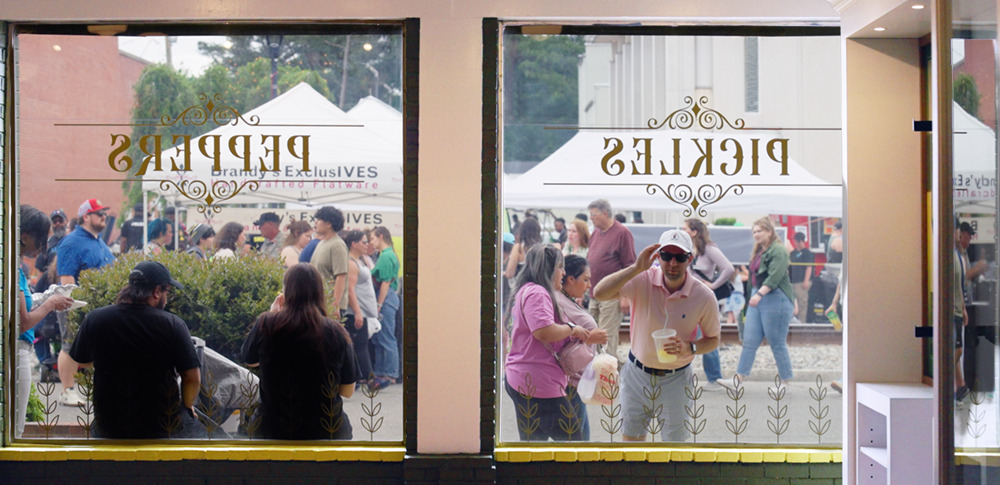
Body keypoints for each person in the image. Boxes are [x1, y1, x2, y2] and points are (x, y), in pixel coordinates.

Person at [593, 229, 720, 442]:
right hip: (637, 374)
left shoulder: (704, 296)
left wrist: (690, 347)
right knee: (632, 446)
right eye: (666, 256)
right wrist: (635, 268)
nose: (672, 263)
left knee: (674, 449)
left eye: (680, 257)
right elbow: (599, 293)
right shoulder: (642, 278)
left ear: (689, 259)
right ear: (658, 257)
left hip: (677, 378)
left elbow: (713, 339)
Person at [68, 261, 202, 438]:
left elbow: (82, 361)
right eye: (167, 292)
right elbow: (192, 377)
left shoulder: (95, 318)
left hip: (109, 427)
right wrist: (188, 406)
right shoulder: (173, 324)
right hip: (161, 427)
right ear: (157, 292)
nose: (166, 298)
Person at [242, 263, 357, 440]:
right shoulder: (336, 332)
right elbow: (347, 391)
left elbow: (250, 361)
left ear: (286, 291)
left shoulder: (267, 325)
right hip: (326, 430)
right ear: (319, 293)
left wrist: (271, 316)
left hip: (272, 430)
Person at [504, 245, 590, 441]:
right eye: (560, 267)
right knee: (573, 445)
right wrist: (572, 328)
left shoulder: (526, 290)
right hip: (538, 382)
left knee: (535, 446)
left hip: (525, 378)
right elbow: (543, 331)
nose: (563, 272)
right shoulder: (538, 293)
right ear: (549, 269)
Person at [15, 205, 74, 436]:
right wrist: (49, 304)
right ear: (24, 236)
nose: (43, 248)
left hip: (19, 349)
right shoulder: (14, 270)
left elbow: (21, 305)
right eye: (41, 240)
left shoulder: (15, 267)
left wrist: (47, 297)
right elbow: (23, 322)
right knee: (16, 427)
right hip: (18, 351)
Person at [55, 198, 116, 406]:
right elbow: (66, 279)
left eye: (104, 213)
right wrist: (75, 307)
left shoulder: (99, 241)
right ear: (86, 217)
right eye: (99, 213)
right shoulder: (71, 242)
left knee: (97, 347)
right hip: (74, 303)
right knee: (70, 345)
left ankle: (99, 389)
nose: (104, 216)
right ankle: (67, 391)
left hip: (98, 306)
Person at [731, 217, 796, 387]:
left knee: (777, 342)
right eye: (754, 232)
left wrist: (759, 294)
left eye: (759, 231)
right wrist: (751, 298)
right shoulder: (759, 251)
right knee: (749, 341)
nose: (756, 234)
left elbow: (775, 276)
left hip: (775, 297)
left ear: (769, 231)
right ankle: (738, 379)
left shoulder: (779, 250)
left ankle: (785, 381)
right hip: (757, 297)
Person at [553, 255, 608, 440]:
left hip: (577, 379)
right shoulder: (559, 302)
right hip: (570, 380)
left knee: (581, 437)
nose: (589, 285)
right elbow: (556, 339)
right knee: (578, 440)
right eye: (585, 280)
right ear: (570, 279)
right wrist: (591, 338)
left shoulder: (565, 300)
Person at [682, 218, 734, 392]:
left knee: (706, 335)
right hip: (687, 298)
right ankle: (687, 376)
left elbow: (728, 268)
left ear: (694, 231)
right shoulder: (687, 249)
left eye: (685, 228)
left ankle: (714, 378)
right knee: (686, 335)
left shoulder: (709, 249)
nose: (682, 231)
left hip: (703, 299)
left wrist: (713, 285)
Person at [586, 198, 636, 363]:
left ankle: (609, 373)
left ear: (605, 213)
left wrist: (625, 296)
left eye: (594, 214)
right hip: (594, 293)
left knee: (606, 338)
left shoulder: (622, 233)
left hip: (612, 295)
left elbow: (630, 266)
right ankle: (604, 370)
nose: (591, 218)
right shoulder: (596, 233)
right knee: (592, 335)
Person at [343, 230, 376, 385]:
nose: (367, 244)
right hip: (355, 312)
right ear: (354, 244)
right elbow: (350, 290)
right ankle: (370, 379)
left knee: (361, 345)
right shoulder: (351, 263)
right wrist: (357, 312)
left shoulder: (360, 260)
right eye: (364, 242)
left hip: (363, 311)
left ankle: (360, 378)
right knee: (360, 346)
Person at [370, 226, 401, 387]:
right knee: (381, 336)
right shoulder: (387, 255)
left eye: (373, 238)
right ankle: (382, 371)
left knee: (386, 336)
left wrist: (379, 304)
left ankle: (390, 372)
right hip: (388, 297)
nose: (371, 242)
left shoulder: (386, 256)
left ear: (381, 237)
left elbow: (385, 283)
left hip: (385, 298)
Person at [310, 206, 349, 314]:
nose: (316, 223)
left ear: (328, 224)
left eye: (319, 220)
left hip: (330, 305)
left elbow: (341, 276)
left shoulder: (337, 245)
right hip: (318, 302)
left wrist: (335, 305)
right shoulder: (321, 244)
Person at [789, 232, 815, 323]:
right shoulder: (793, 253)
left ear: (799, 241)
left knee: (802, 303)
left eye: (795, 241)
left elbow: (809, 267)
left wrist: (806, 281)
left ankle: (802, 322)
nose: (794, 243)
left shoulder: (807, 253)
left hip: (801, 282)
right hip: (792, 281)